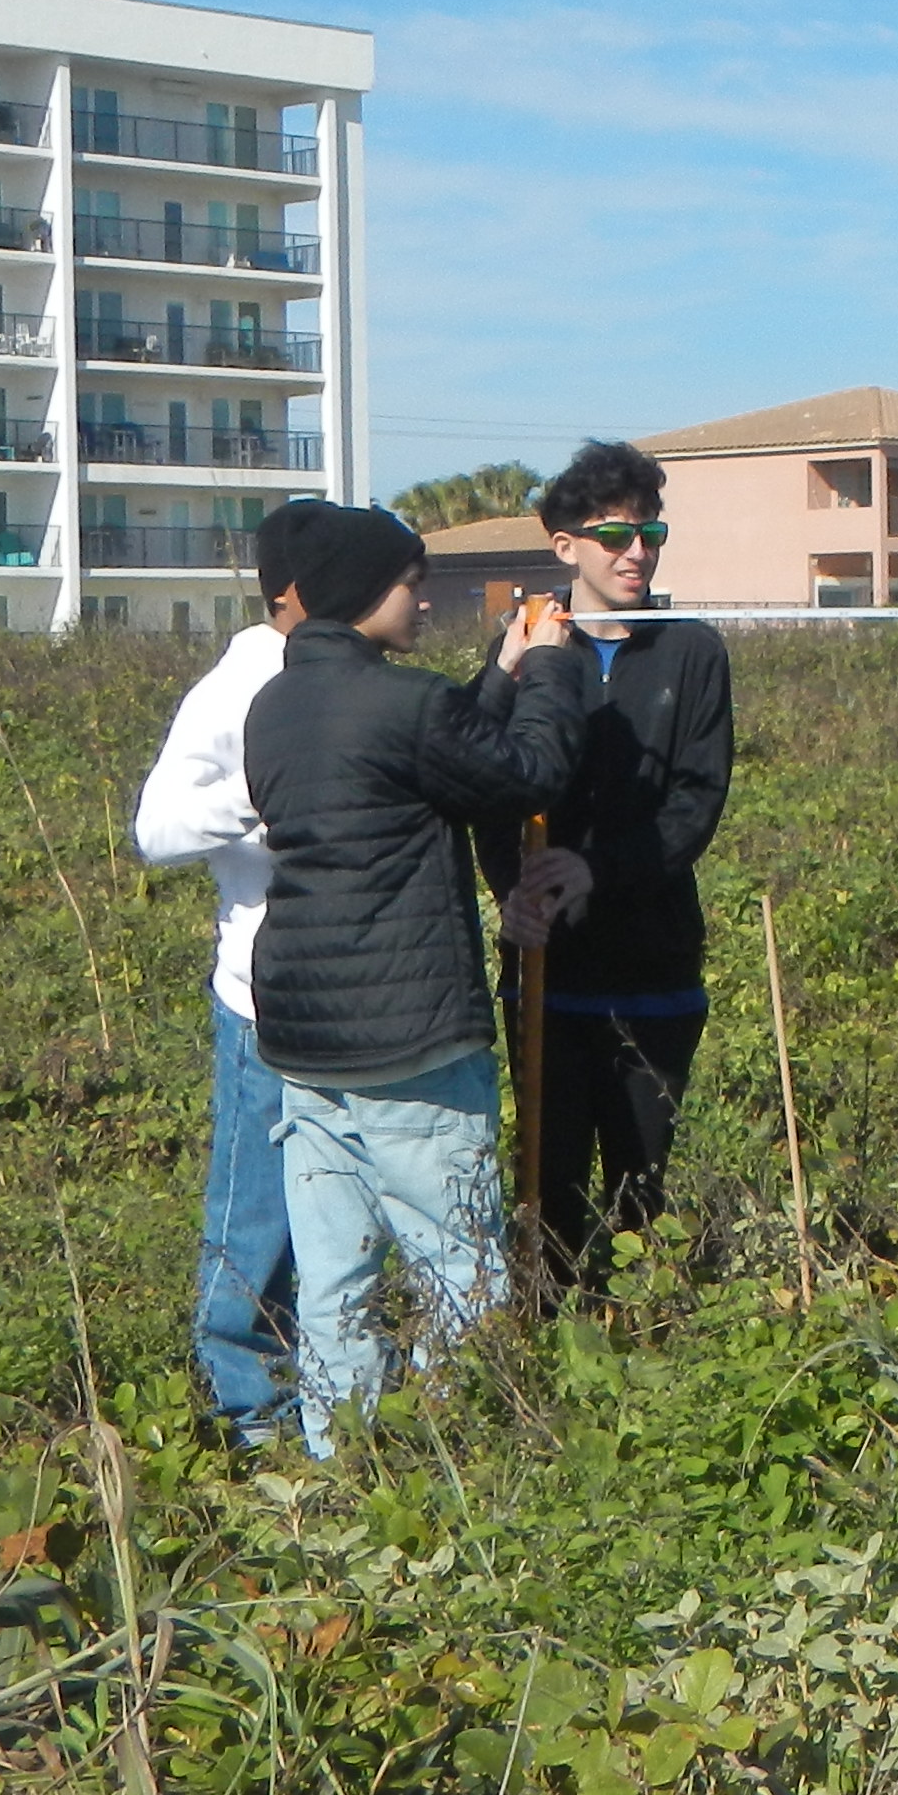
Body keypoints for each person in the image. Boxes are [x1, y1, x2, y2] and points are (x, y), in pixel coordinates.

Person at [241, 501, 585, 1453]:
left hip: (305, 1038)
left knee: (335, 1276)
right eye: (408, 581)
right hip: (412, 1038)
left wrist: (500, 671)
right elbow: (525, 773)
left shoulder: (276, 706)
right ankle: (470, 1458)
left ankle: (336, 1457)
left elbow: (425, 758)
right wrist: (554, 665)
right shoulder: (404, 703)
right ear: (363, 593)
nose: (422, 598)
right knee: (458, 1265)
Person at [492, 438, 738, 1286]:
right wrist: (509, 898)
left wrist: (600, 869)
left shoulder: (692, 651)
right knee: (546, 1190)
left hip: (654, 970)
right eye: (614, 536)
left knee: (641, 1192)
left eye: (650, 534)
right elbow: (488, 786)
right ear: (565, 546)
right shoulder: (524, 647)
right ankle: (545, 1360)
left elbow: (695, 801)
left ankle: (642, 1347)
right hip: (545, 975)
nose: (636, 553)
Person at [127, 518, 318, 1444]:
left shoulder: (344, 674)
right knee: (256, 1208)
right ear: (288, 594)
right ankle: (249, 1410)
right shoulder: (237, 687)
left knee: (326, 1206)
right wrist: (267, 792)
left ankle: (326, 1401)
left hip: (345, 993)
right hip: (259, 995)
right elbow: (156, 830)